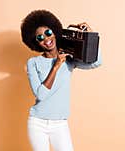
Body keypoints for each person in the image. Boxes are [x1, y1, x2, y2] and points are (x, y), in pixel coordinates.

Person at [21, 9, 102, 151]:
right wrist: (56, 66)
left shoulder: (69, 58)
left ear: (54, 31)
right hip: (37, 123)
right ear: (36, 42)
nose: (46, 39)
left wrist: (91, 37)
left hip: (60, 123)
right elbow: (41, 95)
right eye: (40, 38)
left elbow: (96, 62)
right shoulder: (33, 63)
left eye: (48, 33)